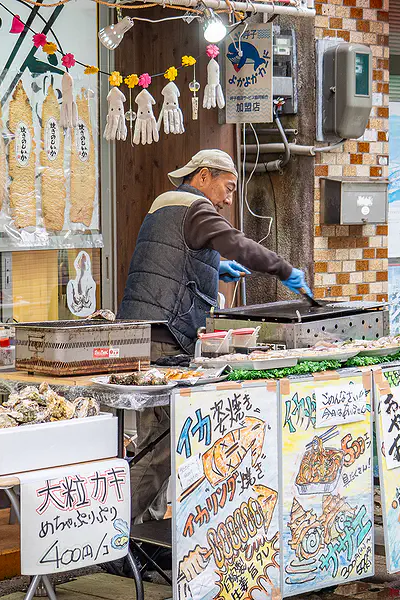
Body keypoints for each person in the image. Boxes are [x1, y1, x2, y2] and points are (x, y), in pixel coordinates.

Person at [118, 149, 310, 523]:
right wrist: (284, 270)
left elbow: (172, 258)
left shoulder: (163, 206)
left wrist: (215, 267)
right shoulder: (196, 207)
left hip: (145, 332)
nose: (228, 199)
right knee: (159, 448)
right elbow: (238, 242)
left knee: (154, 444)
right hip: (165, 336)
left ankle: (145, 535)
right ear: (204, 176)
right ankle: (116, 534)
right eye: (228, 187)